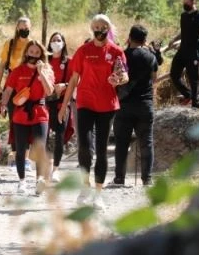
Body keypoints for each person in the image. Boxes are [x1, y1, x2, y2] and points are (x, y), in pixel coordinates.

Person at [59, 14, 128, 211]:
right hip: (85, 103)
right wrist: (64, 106)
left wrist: (120, 79)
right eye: (96, 26)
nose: (99, 29)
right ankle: (84, 185)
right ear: (92, 29)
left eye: (103, 26)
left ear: (109, 28)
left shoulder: (116, 51)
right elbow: (73, 80)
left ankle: (98, 194)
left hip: (107, 105)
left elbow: (124, 74)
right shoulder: (83, 51)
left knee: (101, 150)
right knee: (84, 147)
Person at [0, 41, 55, 195]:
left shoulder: (47, 71)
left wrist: (41, 73)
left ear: (41, 55)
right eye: (31, 52)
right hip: (21, 113)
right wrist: (3, 105)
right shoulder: (17, 71)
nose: (33, 55)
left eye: (37, 53)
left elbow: (50, 92)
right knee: (20, 148)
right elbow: (8, 90)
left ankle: (39, 181)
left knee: (40, 147)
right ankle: (22, 182)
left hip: (40, 113)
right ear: (26, 53)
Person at [112, 25, 162, 187]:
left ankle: (119, 178)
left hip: (124, 104)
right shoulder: (151, 57)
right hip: (144, 104)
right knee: (146, 142)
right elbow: (155, 79)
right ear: (145, 39)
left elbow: (116, 79)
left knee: (121, 142)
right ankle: (146, 179)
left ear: (129, 37)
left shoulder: (122, 56)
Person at [0, 17, 32, 165]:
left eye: (26, 27)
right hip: (11, 87)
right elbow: (2, 65)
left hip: (28, 87)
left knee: (28, 120)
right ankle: (16, 156)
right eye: (21, 27)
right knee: (14, 121)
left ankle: (26, 158)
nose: (24, 29)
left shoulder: (33, 45)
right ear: (17, 28)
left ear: (30, 27)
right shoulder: (10, 44)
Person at [167, 0, 199, 107]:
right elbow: (183, 32)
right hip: (183, 49)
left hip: (194, 50)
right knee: (174, 74)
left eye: (187, 2)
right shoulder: (183, 16)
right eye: (184, 2)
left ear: (193, 2)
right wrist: (174, 39)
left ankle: (195, 103)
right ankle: (188, 95)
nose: (185, 5)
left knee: (193, 77)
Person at [46, 32, 75, 183]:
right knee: (42, 136)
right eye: (53, 40)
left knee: (59, 137)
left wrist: (64, 85)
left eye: (59, 40)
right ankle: (44, 167)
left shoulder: (70, 61)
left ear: (63, 43)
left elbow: (75, 80)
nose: (56, 42)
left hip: (62, 103)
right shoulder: (45, 61)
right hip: (45, 103)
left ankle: (56, 169)